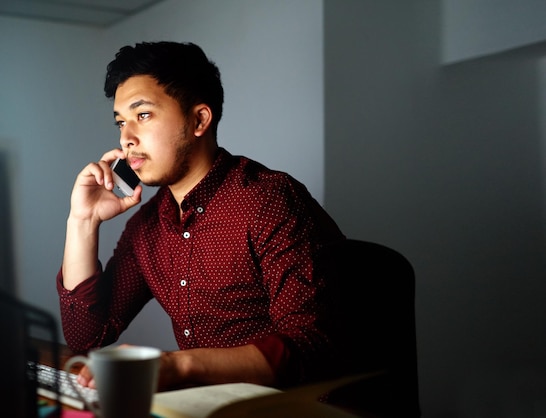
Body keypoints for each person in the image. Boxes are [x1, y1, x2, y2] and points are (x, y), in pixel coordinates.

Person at [57, 41, 346, 393]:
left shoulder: (268, 199)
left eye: (142, 115)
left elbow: (310, 346)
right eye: (121, 122)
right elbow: (86, 336)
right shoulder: (149, 225)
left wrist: (177, 365)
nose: (126, 138)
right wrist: (82, 221)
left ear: (199, 120)